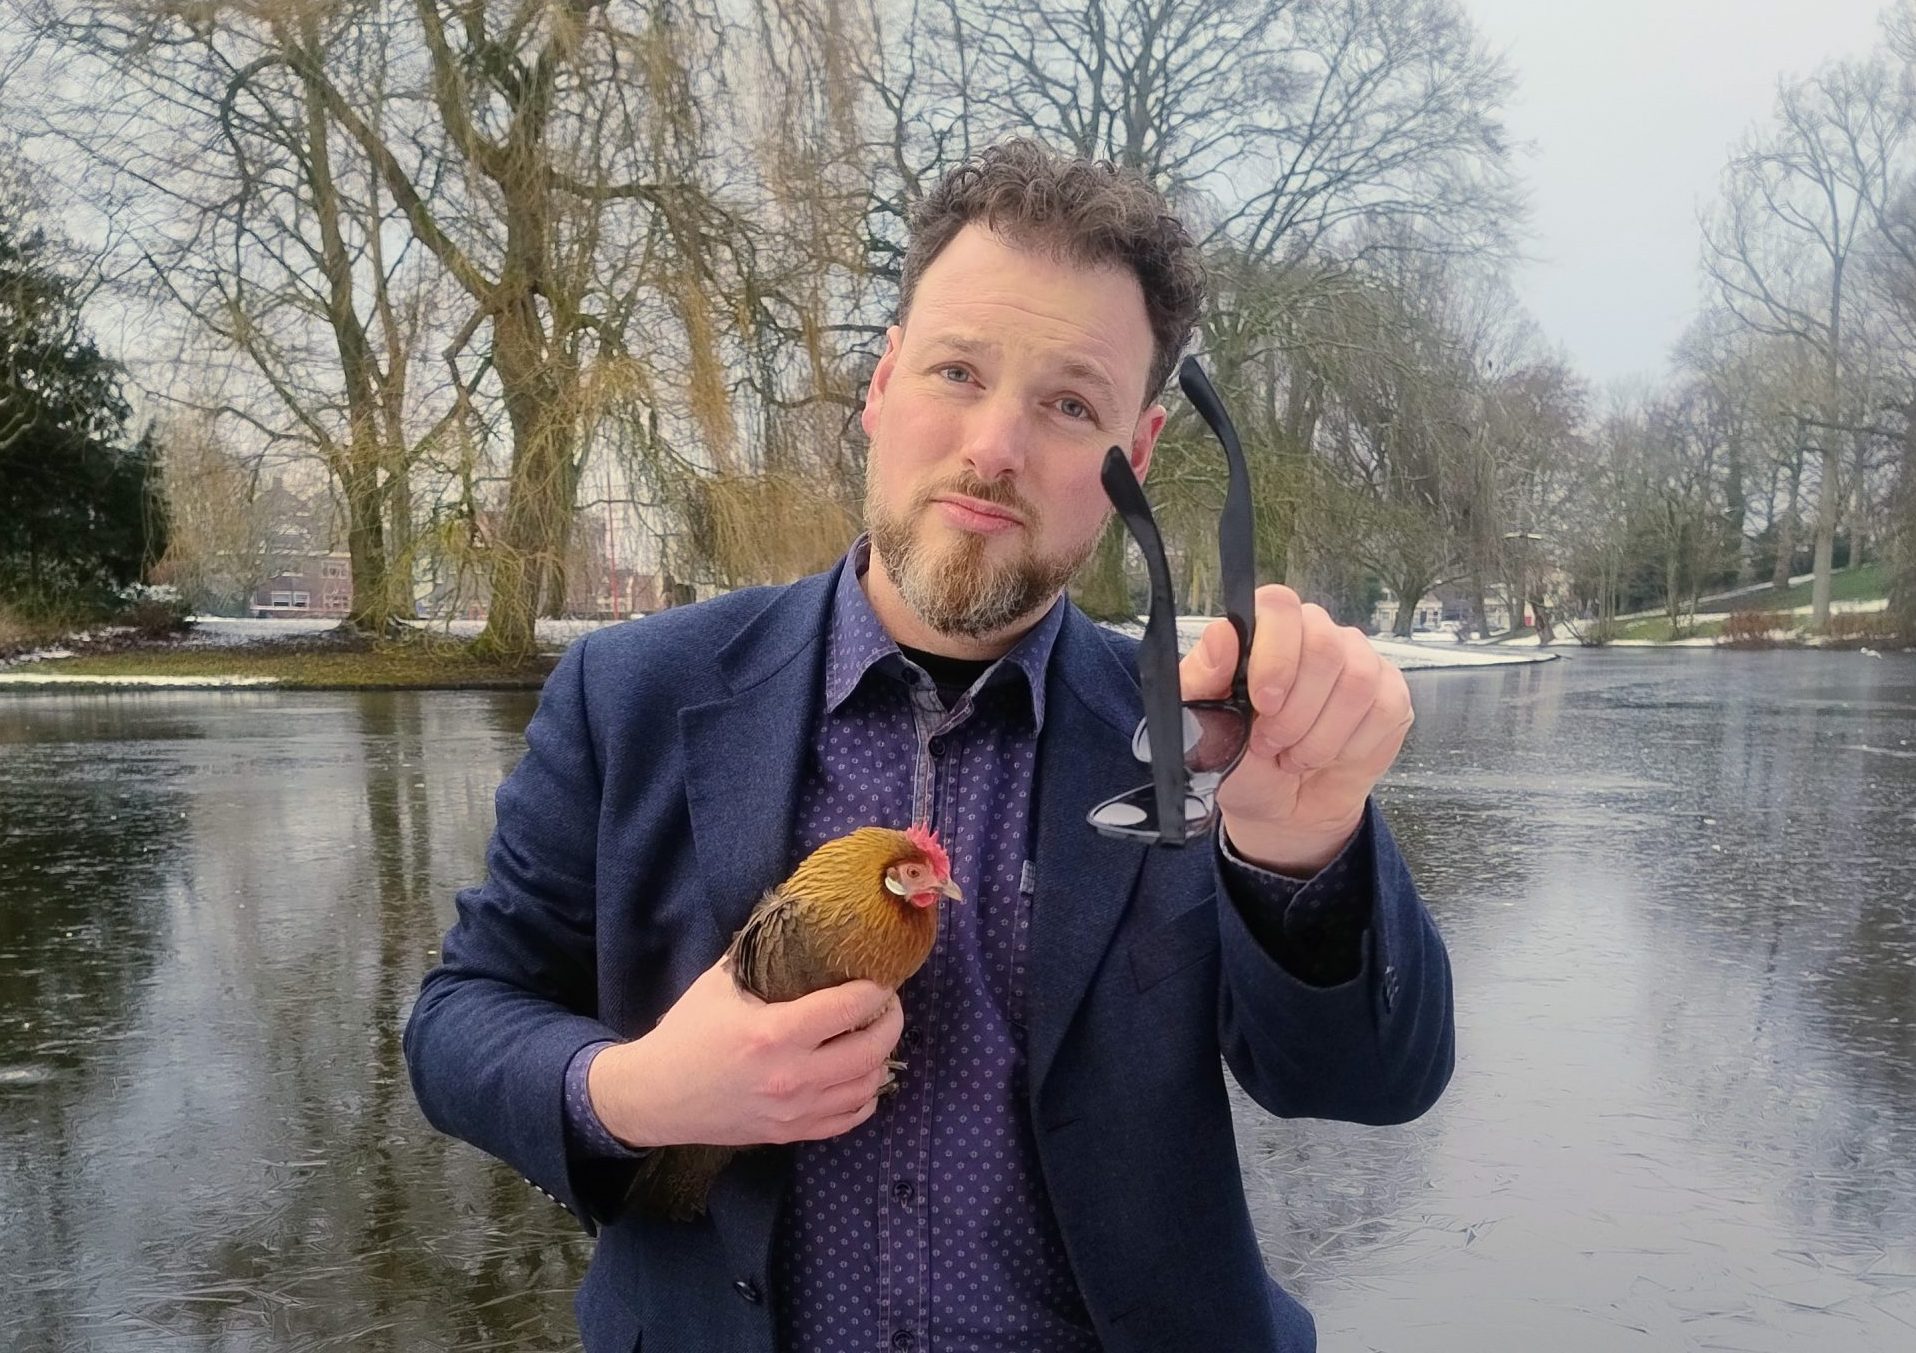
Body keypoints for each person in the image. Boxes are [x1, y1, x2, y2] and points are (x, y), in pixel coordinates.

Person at [404, 138, 1453, 1353]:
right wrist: (634, 1093)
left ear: (1138, 457)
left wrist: (1303, 846)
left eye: (1069, 404)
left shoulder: (1207, 736)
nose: (995, 446)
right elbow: (459, 1023)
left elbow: (1369, 1083)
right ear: (881, 384)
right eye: (957, 370)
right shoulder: (629, 692)